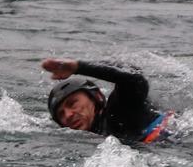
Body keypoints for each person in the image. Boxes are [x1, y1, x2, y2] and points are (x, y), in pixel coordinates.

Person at [40, 58, 177, 145]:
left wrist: (79, 67)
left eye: (72, 103)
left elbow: (134, 77)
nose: (68, 115)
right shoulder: (84, 139)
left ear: (97, 98)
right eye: (61, 114)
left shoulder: (119, 111)